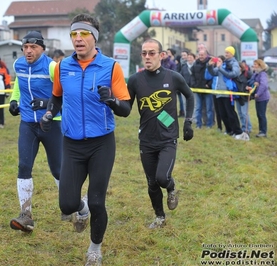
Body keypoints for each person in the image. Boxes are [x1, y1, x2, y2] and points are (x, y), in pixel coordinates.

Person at [40, 14, 131, 265]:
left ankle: (95, 248)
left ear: (94, 37)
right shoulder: (62, 67)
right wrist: (49, 113)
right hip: (71, 143)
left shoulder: (111, 67)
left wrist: (111, 100)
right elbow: (56, 97)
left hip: (101, 143)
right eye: (74, 34)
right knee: (67, 204)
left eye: (83, 34)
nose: (78, 39)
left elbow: (126, 109)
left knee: (97, 199)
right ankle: (81, 210)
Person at [127, 38, 194, 229]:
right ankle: (160, 217)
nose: (147, 57)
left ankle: (171, 188)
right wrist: (112, 102)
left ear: (161, 55)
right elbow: (125, 107)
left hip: (168, 137)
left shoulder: (173, 77)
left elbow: (189, 96)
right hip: (146, 139)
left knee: (162, 178)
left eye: (152, 53)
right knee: (151, 183)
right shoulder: (135, 80)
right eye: (144, 53)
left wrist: (188, 121)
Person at [8, 31, 63, 232]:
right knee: (24, 166)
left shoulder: (52, 67)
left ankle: (72, 204)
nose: (29, 51)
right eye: (25, 47)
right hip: (28, 124)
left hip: (51, 123)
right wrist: (13, 101)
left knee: (58, 170)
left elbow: (64, 96)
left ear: (42, 48)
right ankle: (26, 215)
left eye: (33, 47)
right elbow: (19, 85)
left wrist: (47, 103)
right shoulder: (18, 65)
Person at [207, 46, 249, 140]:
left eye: (228, 53)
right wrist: (209, 66)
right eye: (225, 52)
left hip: (228, 91)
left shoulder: (234, 63)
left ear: (232, 53)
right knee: (222, 113)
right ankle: (229, 130)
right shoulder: (224, 63)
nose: (226, 54)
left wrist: (221, 68)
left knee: (231, 113)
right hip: (219, 92)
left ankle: (238, 131)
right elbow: (214, 73)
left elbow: (233, 74)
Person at [246, 59, 270, 137]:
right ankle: (261, 131)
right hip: (258, 97)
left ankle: (263, 132)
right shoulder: (256, 73)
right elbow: (251, 81)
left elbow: (264, 85)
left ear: (260, 65)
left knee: (261, 114)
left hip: (263, 97)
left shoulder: (262, 74)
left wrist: (258, 93)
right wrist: (254, 83)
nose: (254, 66)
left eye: (256, 64)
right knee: (259, 114)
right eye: (254, 64)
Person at [190, 49, 214, 128]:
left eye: (202, 55)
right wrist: (193, 84)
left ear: (206, 55)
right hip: (197, 89)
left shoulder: (210, 63)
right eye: (200, 55)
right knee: (198, 108)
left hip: (207, 89)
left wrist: (209, 85)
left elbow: (213, 75)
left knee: (209, 109)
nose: (201, 56)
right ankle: (198, 124)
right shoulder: (195, 64)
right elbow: (192, 75)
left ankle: (209, 124)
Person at [235, 62, 253, 134]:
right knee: (240, 113)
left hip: (244, 96)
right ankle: (243, 127)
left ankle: (248, 128)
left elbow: (252, 82)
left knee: (244, 113)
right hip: (237, 96)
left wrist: (249, 87)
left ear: (241, 67)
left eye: (238, 67)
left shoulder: (247, 74)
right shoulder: (235, 76)